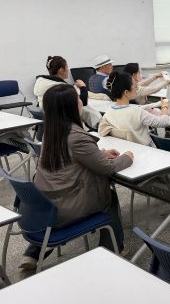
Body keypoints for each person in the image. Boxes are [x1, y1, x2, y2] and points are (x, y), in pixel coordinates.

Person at [20, 84, 133, 270]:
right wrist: (127, 157)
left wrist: (100, 153)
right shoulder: (76, 135)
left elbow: (70, 155)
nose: (81, 101)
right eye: (78, 99)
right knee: (110, 197)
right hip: (65, 207)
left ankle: (33, 252)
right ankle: (113, 249)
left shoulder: (52, 129)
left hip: (45, 203)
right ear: (70, 107)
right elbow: (107, 169)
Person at [98, 71, 170, 146]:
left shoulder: (109, 112)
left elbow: (133, 109)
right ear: (126, 92)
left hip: (127, 147)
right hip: (145, 148)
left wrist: (156, 104)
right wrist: (164, 106)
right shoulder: (137, 113)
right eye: (135, 86)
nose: (137, 88)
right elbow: (164, 122)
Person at [33, 55, 102, 128]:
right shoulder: (62, 88)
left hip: (54, 125)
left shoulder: (41, 84)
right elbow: (82, 103)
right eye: (66, 67)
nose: (68, 70)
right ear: (61, 70)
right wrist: (83, 87)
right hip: (71, 126)